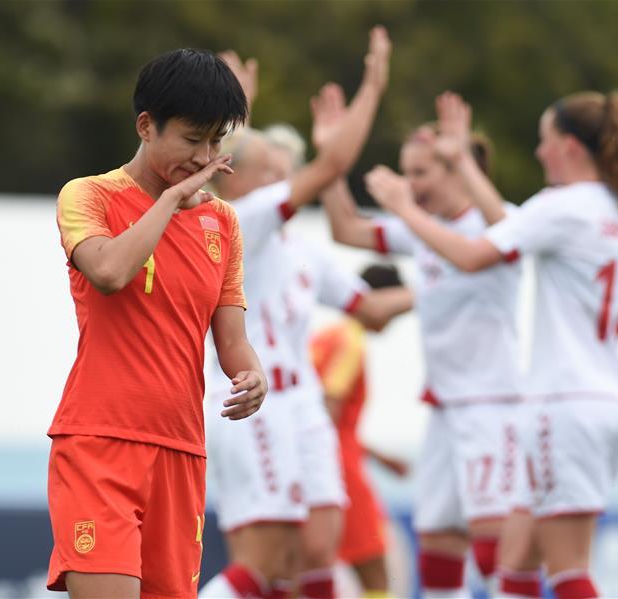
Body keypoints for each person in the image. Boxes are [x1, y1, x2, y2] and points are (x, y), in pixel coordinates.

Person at [366, 90, 618, 599]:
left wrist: (405, 209)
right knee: (514, 564)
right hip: (604, 399)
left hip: (565, 401)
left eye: (545, 141)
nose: (539, 153)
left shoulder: (562, 206)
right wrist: (463, 162)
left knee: (568, 570)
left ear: (571, 147)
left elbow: (472, 254)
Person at [46, 48, 268, 599]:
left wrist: (253, 375)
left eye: (216, 142)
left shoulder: (223, 224)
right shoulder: (88, 195)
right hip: (99, 445)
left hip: (182, 453)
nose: (205, 157)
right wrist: (171, 202)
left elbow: (231, 341)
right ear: (146, 126)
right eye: (193, 140)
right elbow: (109, 272)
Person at [199, 27, 392, 599]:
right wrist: (373, 88)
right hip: (252, 401)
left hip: (301, 403)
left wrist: (453, 273)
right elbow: (328, 167)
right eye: (274, 169)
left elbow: (372, 309)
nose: (285, 181)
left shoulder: (300, 251)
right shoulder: (247, 220)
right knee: (266, 563)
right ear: (246, 175)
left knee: (314, 552)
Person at [321, 91, 525, 599]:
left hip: (491, 405)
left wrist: (407, 210)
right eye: (406, 173)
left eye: (422, 173)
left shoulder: (493, 220)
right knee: (437, 548)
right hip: (442, 410)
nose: (410, 185)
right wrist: (330, 161)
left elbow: (508, 237)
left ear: (457, 169)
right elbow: (346, 229)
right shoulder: (423, 229)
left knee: (496, 554)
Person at [309, 263, 412, 599]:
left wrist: (381, 459)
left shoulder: (324, 336)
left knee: (305, 568)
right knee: (376, 574)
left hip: (317, 464)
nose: (392, 320)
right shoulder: (351, 344)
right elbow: (329, 411)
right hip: (340, 474)